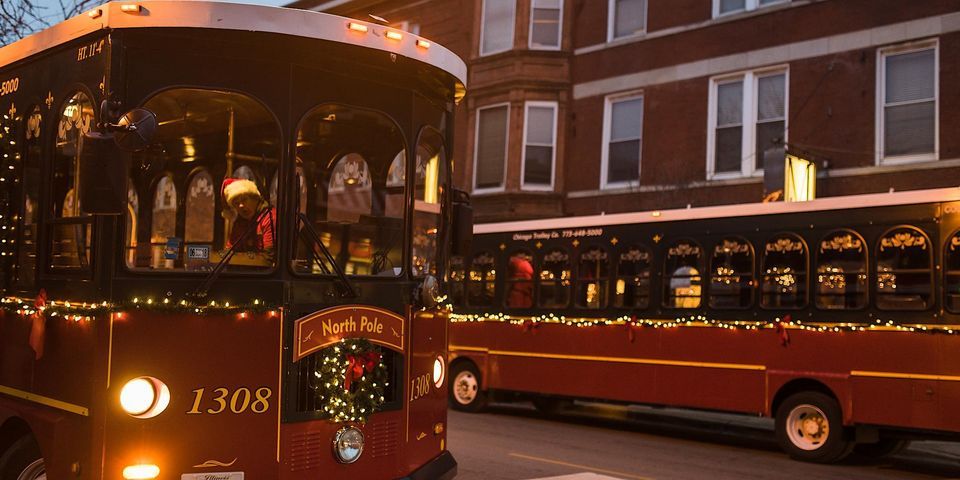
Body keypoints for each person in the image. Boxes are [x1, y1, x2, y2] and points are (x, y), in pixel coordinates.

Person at [221, 178, 276, 254]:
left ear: (255, 198)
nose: (240, 205)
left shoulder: (270, 217)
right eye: (236, 203)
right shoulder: (240, 223)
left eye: (244, 200)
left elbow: (268, 257)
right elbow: (229, 251)